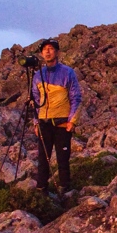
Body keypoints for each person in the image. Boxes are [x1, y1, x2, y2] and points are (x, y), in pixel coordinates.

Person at [31, 38, 82, 196]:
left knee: (63, 158)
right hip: (44, 123)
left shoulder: (67, 72)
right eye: (44, 49)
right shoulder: (38, 75)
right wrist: (35, 123)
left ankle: (64, 189)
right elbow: (35, 100)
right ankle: (41, 190)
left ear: (57, 52)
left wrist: (72, 121)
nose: (47, 51)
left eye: (51, 49)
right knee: (42, 159)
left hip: (62, 123)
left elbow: (76, 98)